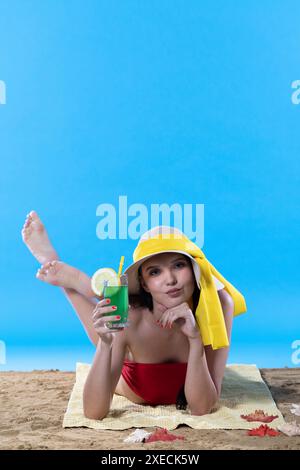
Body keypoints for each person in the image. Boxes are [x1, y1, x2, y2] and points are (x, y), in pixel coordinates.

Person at [21, 211, 246, 420]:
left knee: (113, 324)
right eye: (155, 271)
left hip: (194, 382)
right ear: (145, 285)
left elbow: (202, 407)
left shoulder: (219, 303)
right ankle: (61, 271)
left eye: (178, 265)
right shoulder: (131, 316)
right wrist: (105, 345)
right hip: (133, 380)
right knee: (107, 330)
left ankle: (92, 288)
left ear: (194, 268)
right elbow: (93, 412)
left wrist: (196, 339)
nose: (170, 279)